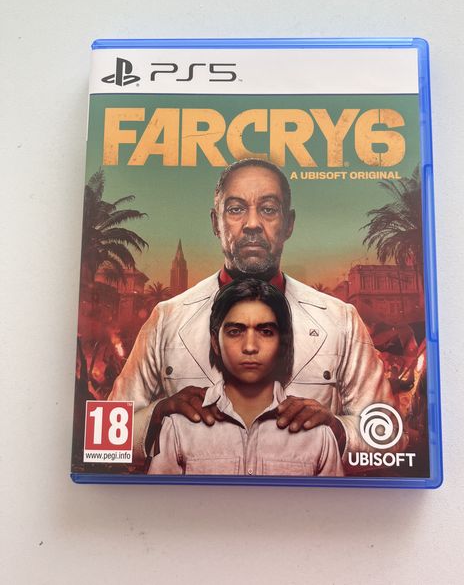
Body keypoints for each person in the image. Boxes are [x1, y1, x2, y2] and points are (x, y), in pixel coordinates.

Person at [109, 158, 401, 472]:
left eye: (268, 209)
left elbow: (390, 438)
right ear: (215, 222)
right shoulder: (167, 318)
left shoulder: (340, 320)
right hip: (196, 502)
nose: (251, 224)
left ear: (289, 223)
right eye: (236, 209)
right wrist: (157, 416)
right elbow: (105, 440)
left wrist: (337, 431)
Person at [148, 279, 343, 476]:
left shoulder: (318, 434)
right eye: (235, 332)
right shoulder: (179, 427)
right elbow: (160, 495)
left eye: (266, 332)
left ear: (283, 344)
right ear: (215, 342)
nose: (250, 347)